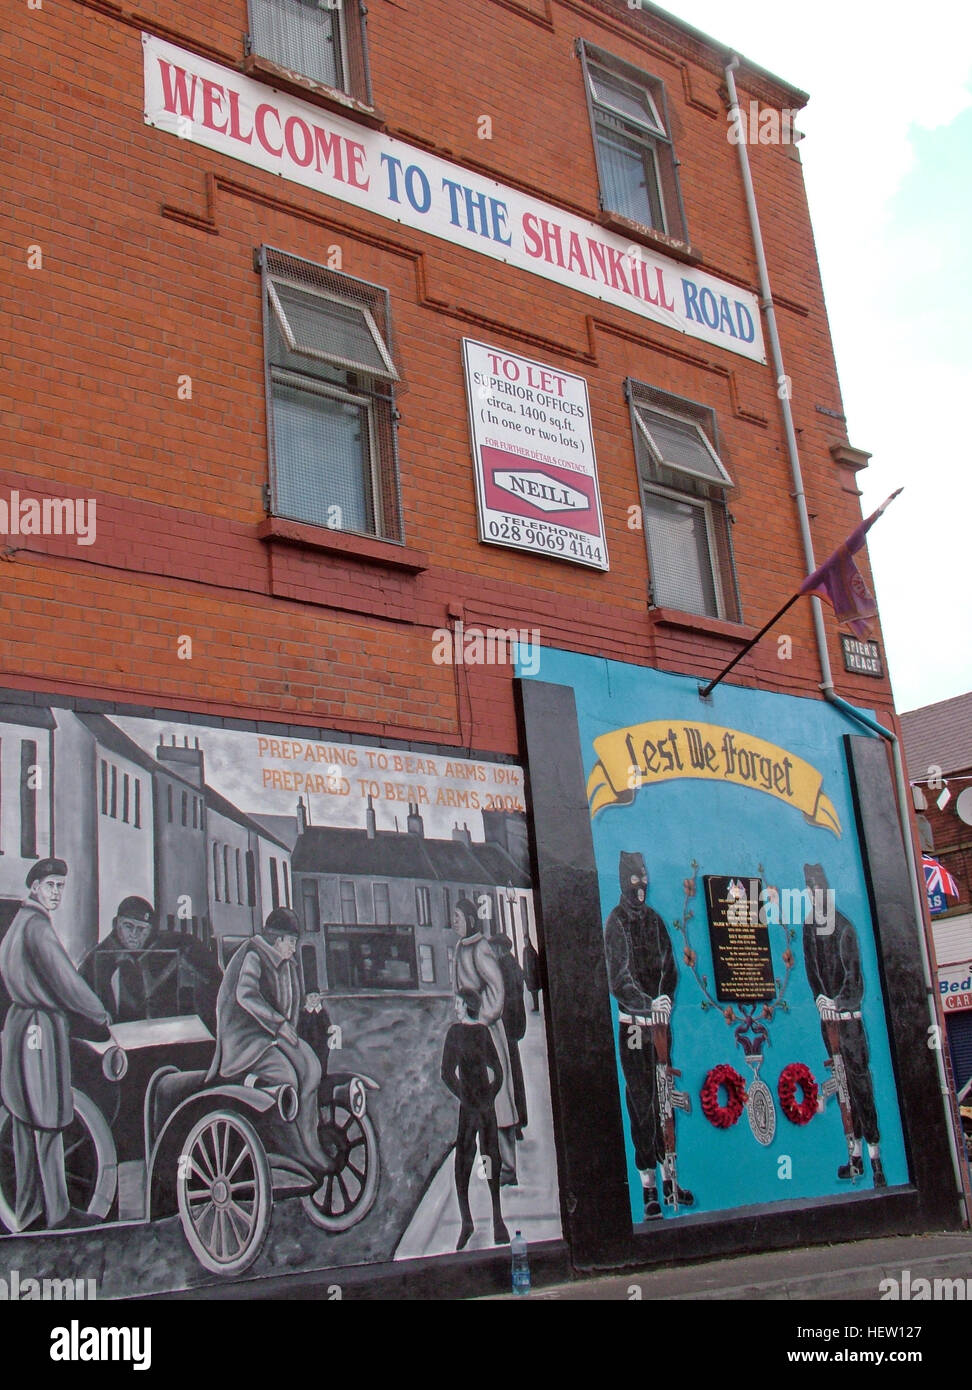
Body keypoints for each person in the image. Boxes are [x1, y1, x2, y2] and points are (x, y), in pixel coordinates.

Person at [0, 858, 113, 1232]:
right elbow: (66, 981)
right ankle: (60, 1213)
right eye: (51, 886)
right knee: (48, 1120)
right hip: (39, 1027)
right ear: (34, 887)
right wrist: (99, 1014)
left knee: (23, 1120)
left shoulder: (18, 925)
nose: (57, 893)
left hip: (17, 1026)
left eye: (61, 886)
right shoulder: (37, 928)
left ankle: (30, 1212)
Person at [207, 907, 332, 1194]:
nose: (294, 948)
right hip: (248, 1042)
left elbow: (292, 1004)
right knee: (286, 1076)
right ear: (277, 940)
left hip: (276, 1037)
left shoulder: (287, 963)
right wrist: (278, 1025)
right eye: (291, 942)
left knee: (311, 1068)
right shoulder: (254, 955)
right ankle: (291, 1150)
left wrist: (288, 1031)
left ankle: (310, 1143)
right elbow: (245, 995)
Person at [604, 851, 693, 1219]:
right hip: (634, 1030)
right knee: (641, 1103)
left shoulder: (655, 921)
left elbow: (670, 969)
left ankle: (671, 1177)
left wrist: (665, 1000)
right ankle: (649, 1188)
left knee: (664, 1101)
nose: (641, 888)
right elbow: (619, 979)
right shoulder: (616, 923)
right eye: (635, 881)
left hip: (660, 1026)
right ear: (625, 881)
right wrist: (646, 1004)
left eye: (645, 880)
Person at [802, 862, 885, 1186]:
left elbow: (856, 979)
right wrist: (819, 998)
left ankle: (875, 1157)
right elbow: (812, 969)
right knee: (842, 1087)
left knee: (860, 1086)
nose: (813, 893)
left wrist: (837, 1002)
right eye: (809, 888)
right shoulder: (810, 926)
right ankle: (854, 1156)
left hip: (849, 1022)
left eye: (816, 886)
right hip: (829, 1021)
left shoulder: (845, 927)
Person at [451, 897, 519, 1184]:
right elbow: (456, 988)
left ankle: (509, 1168)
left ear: (470, 919)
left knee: (498, 1098)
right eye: (453, 918)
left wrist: (483, 1018)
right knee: (477, 1098)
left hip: (487, 1032)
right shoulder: (458, 948)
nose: (454, 922)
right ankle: (490, 1164)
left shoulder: (481, 949)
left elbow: (497, 988)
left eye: (457, 917)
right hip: (470, 1030)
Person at [83, 895, 222, 1030]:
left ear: (150, 930)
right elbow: (82, 996)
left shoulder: (173, 944)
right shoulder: (100, 956)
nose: (134, 934)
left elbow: (212, 978)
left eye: (141, 929)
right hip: (120, 1032)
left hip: (166, 1031)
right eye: (128, 926)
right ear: (116, 924)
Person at [440, 987, 509, 1250]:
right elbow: (446, 1073)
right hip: (468, 1109)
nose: (456, 1008)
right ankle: (466, 1222)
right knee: (464, 1164)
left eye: (458, 1004)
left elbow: (498, 1071)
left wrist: (489, 1095)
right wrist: (465, 1095)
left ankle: (497, 1219)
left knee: (491, 1159)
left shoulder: (482, 1032)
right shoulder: (454, 1034)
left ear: (468, 1005)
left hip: (486, 1108)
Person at [489, 932, 528, 1136]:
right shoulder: (513, 965)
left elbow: (504, 999)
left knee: (509, 1075)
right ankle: (519, 1121)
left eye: (493, 949)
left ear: (499, 949)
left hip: (507, 1027)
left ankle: (515, 1122)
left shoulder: (503, 968)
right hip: (514, 1026)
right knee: (515, 1074)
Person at [522, 936, 542, 1012]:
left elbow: (535, 963)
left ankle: (536, 1006)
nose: (525, 942)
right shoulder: (525, 951)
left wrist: (533, 971)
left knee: (534, 991)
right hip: (528, 974)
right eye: (524, 941)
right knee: (532, 991)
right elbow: (524, 963)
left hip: (533, 974)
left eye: (526, 941)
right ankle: (535, 1006)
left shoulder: (532, 951)